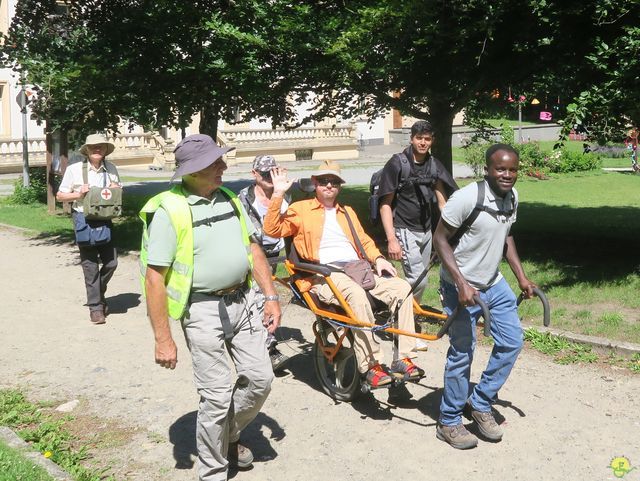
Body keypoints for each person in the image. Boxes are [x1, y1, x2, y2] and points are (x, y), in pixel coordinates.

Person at [140, 134, 280, 481]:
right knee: (216, 397)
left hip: (244, 303)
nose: (223, 166)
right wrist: (163, 339)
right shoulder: (169, 210)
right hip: (202, 311)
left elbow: (253, 250)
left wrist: (271, 295)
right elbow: (154, 279)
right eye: (216, 162)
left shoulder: (230, 198)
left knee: (261, 379)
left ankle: (228, 436)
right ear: (194, 169)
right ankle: (214, 472)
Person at [263, 160, 423, 388]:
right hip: (323, 273)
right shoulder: (300, 209)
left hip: (357, 269)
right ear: (315, 184)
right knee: (356, 294)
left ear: (340, 187)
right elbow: (271, 230)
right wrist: (278, 194)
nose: (330, 185)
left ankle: (404, 358)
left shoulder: (347, 212)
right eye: (324, 181)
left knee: (402, 288)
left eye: (335, 182)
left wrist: (378, 259)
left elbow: (364, 240)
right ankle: (371, 365)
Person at [433, 143, 536, 450]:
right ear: (488, 170)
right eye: (500, 169)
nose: (507, 175)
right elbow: (440, 240)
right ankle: (448, 421)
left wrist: (521, 276)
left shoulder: (512, 197)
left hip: (493, 282)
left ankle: (479, 402)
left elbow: (507, 237)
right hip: (459, 285)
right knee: (463, 350)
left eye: (512, 169)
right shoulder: (467, 198)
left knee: (512, 341)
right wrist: (461, 282)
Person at [378, 120, 457, 303]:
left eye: (427, 139)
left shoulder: (434, 165)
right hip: (404, 229)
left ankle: (410, 314)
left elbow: (442, 202)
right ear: (412, 139)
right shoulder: (398, 164)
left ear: (432, 141)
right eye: (419, 138)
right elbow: (385, 204)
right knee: (419, 281)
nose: (423, 142)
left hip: (426, 230)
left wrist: (450, 230)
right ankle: (401, 315)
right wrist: (392, 239)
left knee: (420, 279)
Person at [56, 133, 121, 325]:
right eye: (93, 146)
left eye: (100, 146)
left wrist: (116, 188)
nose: (97, 149)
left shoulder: (111, 169)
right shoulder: (75, 169)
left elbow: (117, 192)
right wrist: (78, 193)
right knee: (90, 265)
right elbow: (60, 195)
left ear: (105, 150)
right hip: (83, 219)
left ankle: (97, 293)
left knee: (112, 262)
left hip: (105, 219)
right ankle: (95, 308)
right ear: (87, 150)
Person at [238, 154, 291, 372]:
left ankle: (261, 344)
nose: (270, 177)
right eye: (264, 174)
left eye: (273, 172)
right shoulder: (244, 198)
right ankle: (270, 350)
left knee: (265, 299)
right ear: (254, 174)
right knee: (260, 299)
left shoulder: (285, 195)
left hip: (275, 253)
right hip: (254, 255)